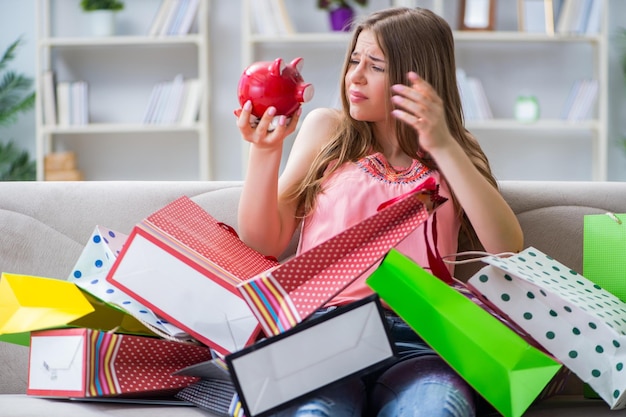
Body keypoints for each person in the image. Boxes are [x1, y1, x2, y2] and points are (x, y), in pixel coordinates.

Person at [235, 6, 523, 417]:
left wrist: (442, 144)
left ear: (416, 77)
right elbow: (263, 241)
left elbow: (506, 248)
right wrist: (264, 152)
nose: (354, 76)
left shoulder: (455, 150)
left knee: (438, 411)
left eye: (375, 66)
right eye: (354, 60)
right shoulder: (327, 131)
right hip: (324, 334)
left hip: (423, 341)